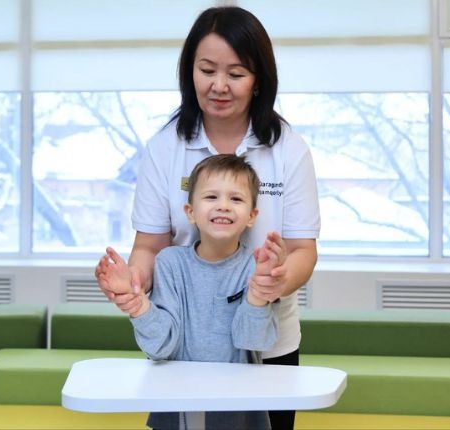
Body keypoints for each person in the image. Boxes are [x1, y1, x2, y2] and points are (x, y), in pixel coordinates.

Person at [96, 6, 320, 429]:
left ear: (258, 80)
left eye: (236, 74)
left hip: (267, 346)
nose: (219, 86)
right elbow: (150, 245)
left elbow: (302, 250)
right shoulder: (166, 147)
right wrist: (133, 286)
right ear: (190, 72)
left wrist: (273, 282)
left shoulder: (288, 149)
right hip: (186, 347)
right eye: (206, 70)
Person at [98, 154, 281, 429]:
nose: (223, 206)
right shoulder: (170, 263)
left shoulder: (257, 266)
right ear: (190, 212)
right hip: (175, 407)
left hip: (239, 412)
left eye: (236, 199)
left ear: (252, 216)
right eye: (211, 197)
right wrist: (137, 304)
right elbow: (161, 346)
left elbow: (253, 341)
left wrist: (258, 293)